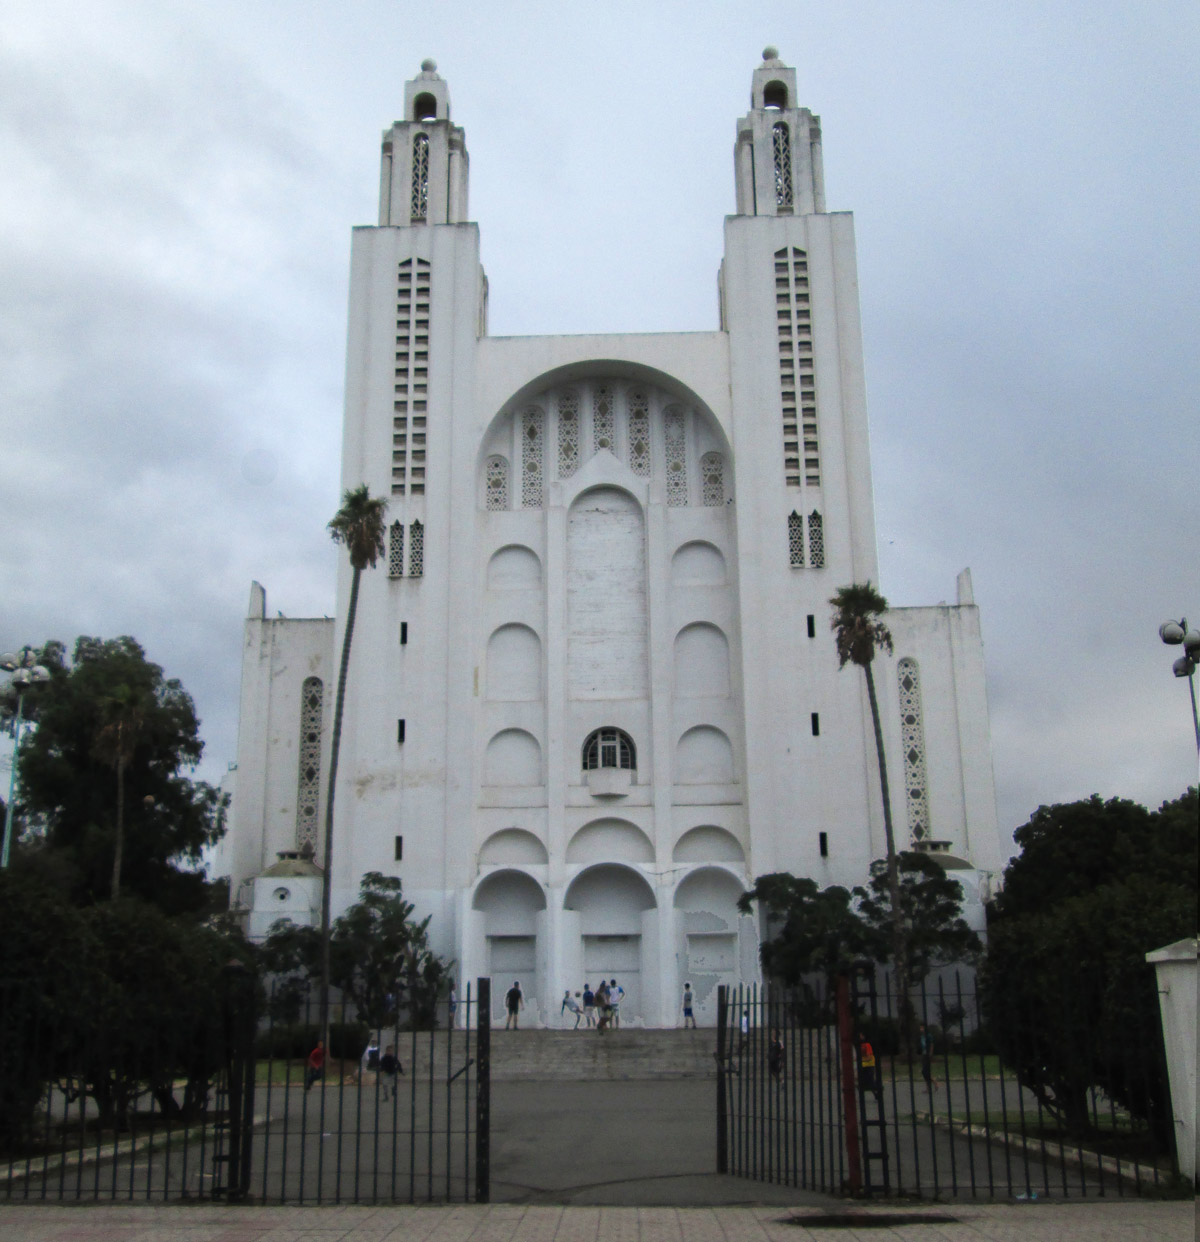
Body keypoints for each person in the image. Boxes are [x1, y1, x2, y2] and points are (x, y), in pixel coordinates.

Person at [918, 1023, 936, 1092]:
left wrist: (930, 1053)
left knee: (925, 1071)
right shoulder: (922, 1036)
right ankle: (931, 1085)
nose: (921, 1029)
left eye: (922, 1028)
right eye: (920, 1028)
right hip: (924, 1054)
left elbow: (931, 1044)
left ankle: (931, 1085)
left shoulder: (928, 1036)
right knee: (924, 1072)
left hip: (927, 1055)